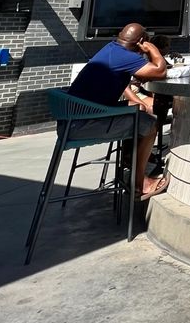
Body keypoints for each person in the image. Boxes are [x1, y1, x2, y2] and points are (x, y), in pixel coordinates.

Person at [67, 22, 168, 199]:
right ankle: (139, 184)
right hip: (83, 125)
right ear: (141, 41)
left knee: (138, 110)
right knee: (151, 124)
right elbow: (160, 72)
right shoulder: (125, 56)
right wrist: (152, 48)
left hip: (74, 119)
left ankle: (129, 156)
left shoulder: (111, 49)